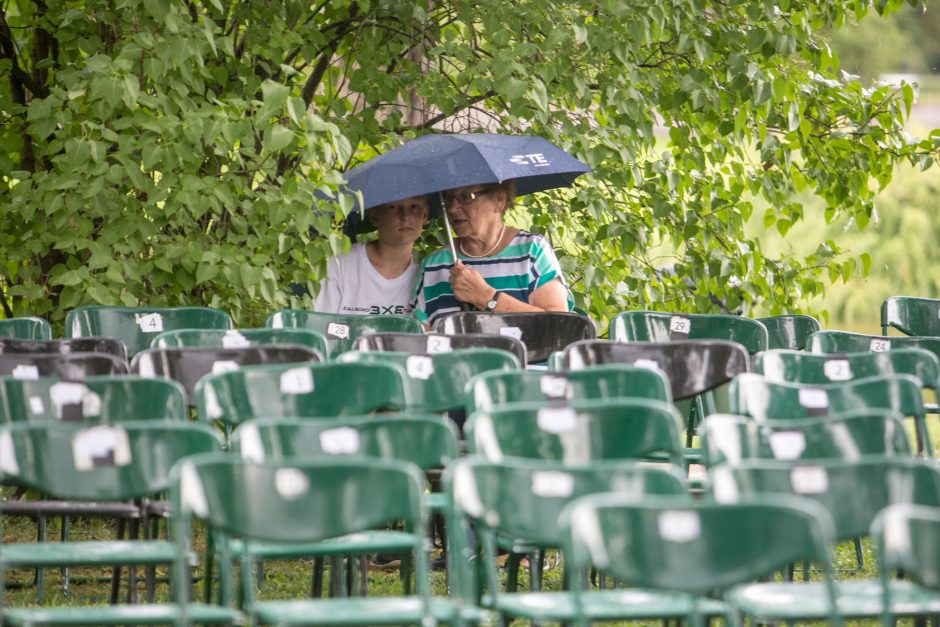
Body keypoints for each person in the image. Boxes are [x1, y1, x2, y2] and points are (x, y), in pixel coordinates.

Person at [411, 181, 572, 326]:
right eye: (448, 199)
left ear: (499, 200)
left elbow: (559, 325)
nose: (452, 209)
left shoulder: (532, 251)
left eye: (466, 197)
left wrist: (486, 297)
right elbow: (422, 336)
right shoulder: (433, 265)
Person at [314, 195, 428, 315]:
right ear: (374, 216)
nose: (405, 216)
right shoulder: (340, 264)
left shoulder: (427, 276)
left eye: (414, 207)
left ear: (424, 215)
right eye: (393, 207)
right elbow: (320, 325)